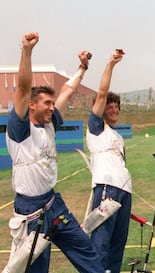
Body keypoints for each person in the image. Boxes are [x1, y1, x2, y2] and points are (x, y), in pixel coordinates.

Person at [5, 32, 104, 273]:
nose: (52, 107)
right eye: (46, 104)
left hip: (53, 204)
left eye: (52, 103)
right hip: (31, 212)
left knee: (86, 251)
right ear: (31, 105)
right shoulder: (20, 130)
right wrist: (27, 51)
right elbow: (23, 89)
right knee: (37, 268)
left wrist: (82, 69)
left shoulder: (49, 124)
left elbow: (67, 92)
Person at [86, 50, 131, 273]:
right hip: (107, 189)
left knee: (117, 244)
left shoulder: (119, 137)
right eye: (108, 106)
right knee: (101, 243)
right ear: (101, 110)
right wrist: (111, 64)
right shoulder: (96, 128)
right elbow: (102, 92)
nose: (113, 109)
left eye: (117, 106)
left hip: (124, 192)